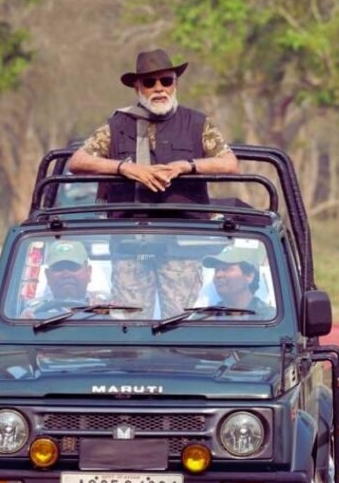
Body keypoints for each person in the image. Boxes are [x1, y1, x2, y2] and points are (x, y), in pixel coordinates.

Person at [67, 49, 239, 318]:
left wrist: (188, 166)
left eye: (166, 81)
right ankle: (134, 360)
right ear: (137, 87)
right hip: (130, 240)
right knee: (131, 323)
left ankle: (179, 360)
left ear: (175, 83)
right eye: (149, 83)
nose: (159, 89)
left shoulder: (196, 122)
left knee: (180, 322)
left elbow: (229, 162)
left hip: (182, 238)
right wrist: (125, 169)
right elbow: (77, 160)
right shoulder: (118, 124)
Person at [21, 240, 106, 318]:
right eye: (58, 268)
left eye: (73, 267)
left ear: (88, 272)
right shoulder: (33, 312)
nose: (66, 274)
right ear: (47, 276)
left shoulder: (105, 308)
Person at [202, 246, 274, 318]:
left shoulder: (271, 318)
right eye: (216, 270)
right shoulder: (204, 318)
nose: (218, 275)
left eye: (226, 269)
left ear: (249, 276)